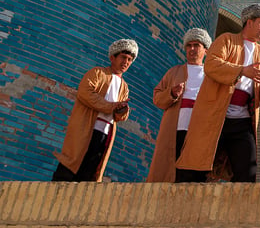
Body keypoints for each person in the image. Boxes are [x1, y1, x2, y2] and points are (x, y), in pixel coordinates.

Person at [175, 3, 260, 182]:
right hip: (215, 115)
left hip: (243, 121)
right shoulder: (226, 40)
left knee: (247, 174)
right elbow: (211, 65)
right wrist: (242, 71)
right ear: (249, 22)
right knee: (194, 169)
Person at [52, 38, 137, 182]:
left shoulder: (124, 87)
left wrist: (122, 110)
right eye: (123, 57)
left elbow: (119, 117)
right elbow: (85, 93)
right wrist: (111, 106)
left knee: (89, 172)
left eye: (129, 59)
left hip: (104, 133)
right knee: (70, 166)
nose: (126, 62)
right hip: (85, 128)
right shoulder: (97, 73)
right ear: (112, 57)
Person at [146, 28, 211, 182]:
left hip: (199, 130)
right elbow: (157, 98)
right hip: (176, 127)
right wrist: (172, 94)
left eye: (197, 45)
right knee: (172, 169)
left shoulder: (211, 76)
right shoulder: (174, 72)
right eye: (189, 45)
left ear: (206, 50)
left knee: (194, 173)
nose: (192, 49)